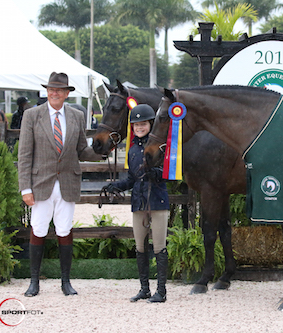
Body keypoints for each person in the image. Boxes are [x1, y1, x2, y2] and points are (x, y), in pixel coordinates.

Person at [18, 72, 104, 297]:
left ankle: (66, 282)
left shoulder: (76, 115)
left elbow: (81, 150)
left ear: (67, 93)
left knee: (65, 230)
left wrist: (101, 152)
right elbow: (25, 154)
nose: (54, 93)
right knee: (38, 229)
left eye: (59, 90)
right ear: (47, 92)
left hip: (67, 182)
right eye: (50, 89)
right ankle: (34, 281)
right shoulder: (32, 115)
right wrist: (25, 188)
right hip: (40, 183)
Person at [102, 104, 169, 303]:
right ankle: (144, 288)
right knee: (140, 246)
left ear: (150, 124)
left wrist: (154, 173)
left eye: (143, 124)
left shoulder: (159, 146)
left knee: (159, 246)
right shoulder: (132, 150)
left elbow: (167, 174)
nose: (139, 127)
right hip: (139, 202)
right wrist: (116, 186)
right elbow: (132, 178)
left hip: (157, 201)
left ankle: (162, 291)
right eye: (136, 125)